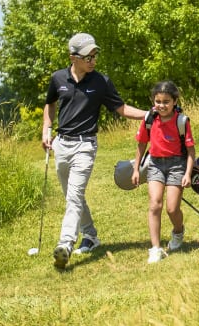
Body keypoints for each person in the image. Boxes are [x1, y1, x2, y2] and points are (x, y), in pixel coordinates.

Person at [42, 33, 147, 269]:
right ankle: (90, 235)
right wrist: (46, 130)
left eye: (94, 55)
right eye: (87, 56)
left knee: (74, 195)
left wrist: (149, 114)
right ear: (73, 57)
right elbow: (50, 105)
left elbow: (121, 108)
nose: (93, 60)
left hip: (85, 145)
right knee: (72, 195)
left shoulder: (101, 81)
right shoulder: (58, 78)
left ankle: (66, 244)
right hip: (61, 143)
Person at [132, 80, 196, 264]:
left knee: (172, 208)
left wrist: (187, 174)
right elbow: (141, 145)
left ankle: (178, 231)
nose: (161, 105)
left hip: (177, 165)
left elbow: (191, 151)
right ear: (153, 101)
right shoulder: (149, 119)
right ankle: (155, 248)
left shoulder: (181, 121)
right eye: (158, 101)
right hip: (156, 164)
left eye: (166, 101)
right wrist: (136, 169)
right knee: (155, 204)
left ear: (174, 101)